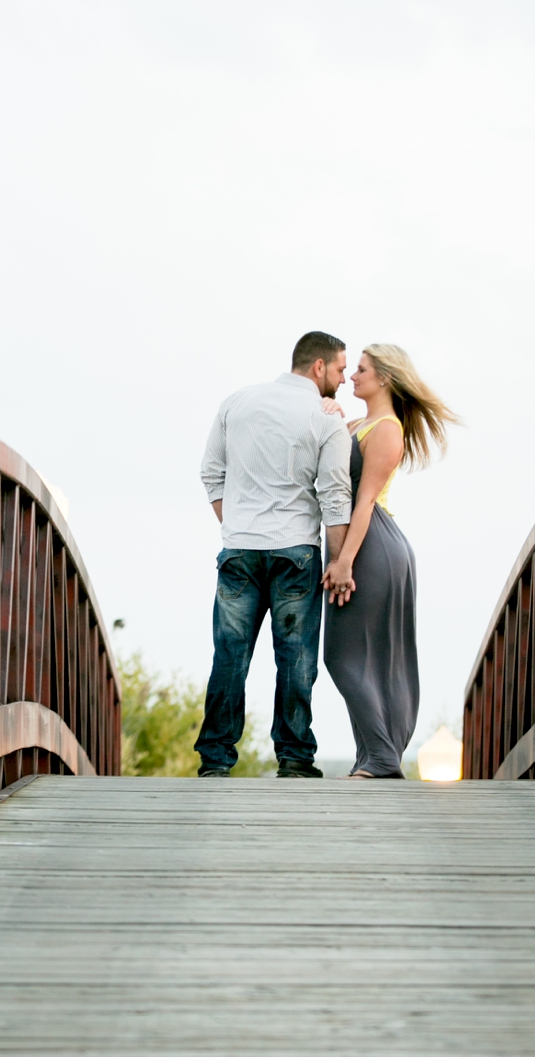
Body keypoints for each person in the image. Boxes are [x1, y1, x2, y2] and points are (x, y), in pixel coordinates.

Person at [195, 332, 352, 778]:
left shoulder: (237, 402)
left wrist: (239, 526)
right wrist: (338, 563)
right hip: (296, 554)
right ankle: (296, 758)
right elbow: (335, 496)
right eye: (340, 369)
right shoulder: (326, 421)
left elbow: (211, 472)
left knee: (229, 656)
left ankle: (215, 759)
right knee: (297, 658)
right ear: (319, 367)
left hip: (240, 550)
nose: (342, 380)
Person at [322, 344, 457, 779]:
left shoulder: (387, 429)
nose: (353, 376)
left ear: (384, 378)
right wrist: (326, 415)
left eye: (360, 370)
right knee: (362, 656)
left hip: (371, 546)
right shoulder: (359, 423)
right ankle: (372, 759)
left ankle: (381, 757)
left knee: (343, 656)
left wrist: (344, 562)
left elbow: (363, 501)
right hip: (364, 545)